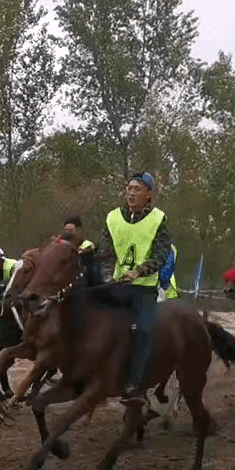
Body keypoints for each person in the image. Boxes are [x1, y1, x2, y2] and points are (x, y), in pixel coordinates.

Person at [95, 171, 173, 407]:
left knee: (143, 330)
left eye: (137, 189)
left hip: (144, 287)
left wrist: (140, 271)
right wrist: (107, 275)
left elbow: (162, 254)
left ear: (149, 194)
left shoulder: (159, 219)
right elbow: (105, 253)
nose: (130, 193)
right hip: (117, 286)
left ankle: (135, 386)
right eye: (128, 188)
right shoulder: (112, 218)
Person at [60, 215, 101, 286]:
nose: (68, 235)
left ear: (79, 230)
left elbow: (90, 250)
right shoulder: (62, 246)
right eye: (66, 231)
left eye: (70, 231)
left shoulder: (88, 245)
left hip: (89, 280)